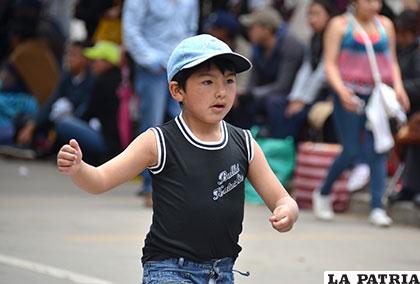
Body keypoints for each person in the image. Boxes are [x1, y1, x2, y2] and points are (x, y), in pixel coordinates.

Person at [57, 34, 299, 283]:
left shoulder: (244, 142)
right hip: (169, 270)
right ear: (177, 90)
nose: (221, 92)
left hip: (223, 272)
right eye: (208, 82)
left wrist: (286, 211)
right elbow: (100, 179)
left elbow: (282, 198)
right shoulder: (158, 141)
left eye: (229, 81)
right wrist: (78, 168)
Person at [313, 0, 410, 227]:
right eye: (368, 0)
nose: (374, 5)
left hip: (377, 95)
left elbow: (392, 60)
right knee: (351, 149)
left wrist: (398, 87)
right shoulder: (339, 25)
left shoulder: (385, 24)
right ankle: (324, 192)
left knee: (379, 149)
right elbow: (330, 63)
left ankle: (377, 207)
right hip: (349, 94)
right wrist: (340, 90)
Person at [122, 0, 199, 204]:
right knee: (152, 126)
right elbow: (130, 30)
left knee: (187, 125)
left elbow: (190, 30)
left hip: (181, 67)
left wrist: (187, 61)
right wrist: (150, 59)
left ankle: (184, 184)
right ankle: (149, 187)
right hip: (152, 69)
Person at [13, 41, 94, 156]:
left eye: (74, 55)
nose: (69, 59)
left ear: (85, 59)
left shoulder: (92, 81)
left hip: (76, 122)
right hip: (56, 119)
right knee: (24, 119)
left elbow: (84, 110)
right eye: (68, 54)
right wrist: (31, 125)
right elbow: (51, 100)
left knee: (65, 125)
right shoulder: (67, 76)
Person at [55, 41, 122, 165]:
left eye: (96, 60)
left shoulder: (103, 83)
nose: (92, 64)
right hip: (118, 143)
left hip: (108, 143)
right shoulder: (121, 81)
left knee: (63, 123)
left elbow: (87, 113)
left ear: (107, 62)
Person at [239, 7, 304, 132]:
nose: (249, 31)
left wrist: (253, 93)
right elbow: (253, 82)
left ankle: (279, 141)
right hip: (267, 93)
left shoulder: (290, 45)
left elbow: (284, 85)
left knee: (272, 102)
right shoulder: (257, 49)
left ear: (266, 29)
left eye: (253, 27)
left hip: (290, 95)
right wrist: (243, 93)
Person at [388, 10, 420, 205]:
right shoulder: (400, 52)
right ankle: (409, 187)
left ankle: (411, 187)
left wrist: (397, 90)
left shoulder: (417, 52)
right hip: (403, 111)